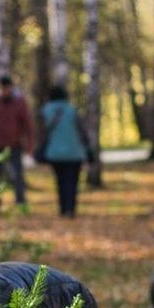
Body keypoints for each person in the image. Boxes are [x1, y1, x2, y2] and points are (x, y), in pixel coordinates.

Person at [0, 74, 34, 214]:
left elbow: (27, 124)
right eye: (2, 88)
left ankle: (21, 204)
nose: (4, 91)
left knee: (17, 176)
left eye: (6, 88)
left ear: (11, 87)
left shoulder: (19, 102)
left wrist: (29, 143)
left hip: (15, 144)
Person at [38, 85, 92, 218]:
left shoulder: (45, 111)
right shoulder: (72, 110)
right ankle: (71, 208)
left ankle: (63, 208)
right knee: (72, 182)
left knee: (60, 181)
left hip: (55, 153)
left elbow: (42, 131)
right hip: (74, 153)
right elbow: (82, 131)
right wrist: (88, 147)